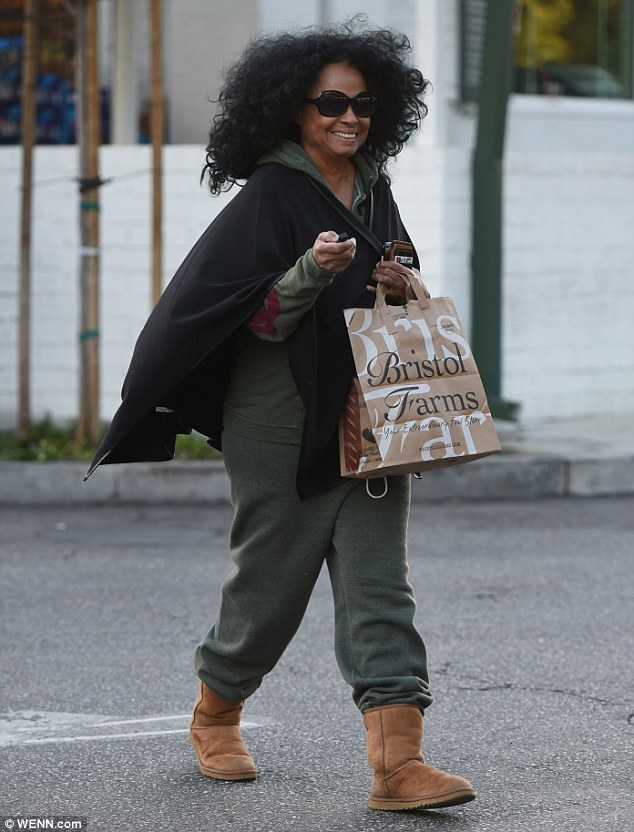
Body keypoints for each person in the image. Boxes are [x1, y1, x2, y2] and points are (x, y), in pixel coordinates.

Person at [86, 21, 476, 812]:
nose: (348, 116)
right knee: (270, 586)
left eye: (363, 104)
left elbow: (385, 284)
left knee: (381, 590)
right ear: (292, 108)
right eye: (330, 101)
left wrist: (398, 277)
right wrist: (307, 272)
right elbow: (252, 320)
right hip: (279, 419)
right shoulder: (268, 195)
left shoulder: (373, 185)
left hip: (370, 414)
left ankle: (398, 767)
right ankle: (215, 713)